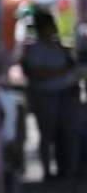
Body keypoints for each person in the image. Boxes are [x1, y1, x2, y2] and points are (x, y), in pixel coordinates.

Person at [21, 10, 81, 182]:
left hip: (65, 94)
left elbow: (71, 66)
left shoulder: (59, 47)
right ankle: (47, 171)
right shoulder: (35, 50)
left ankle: (69, 170)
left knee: (68, 132)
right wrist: (58, 72)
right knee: (47, 134)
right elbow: (37, 72)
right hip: (44, 95)